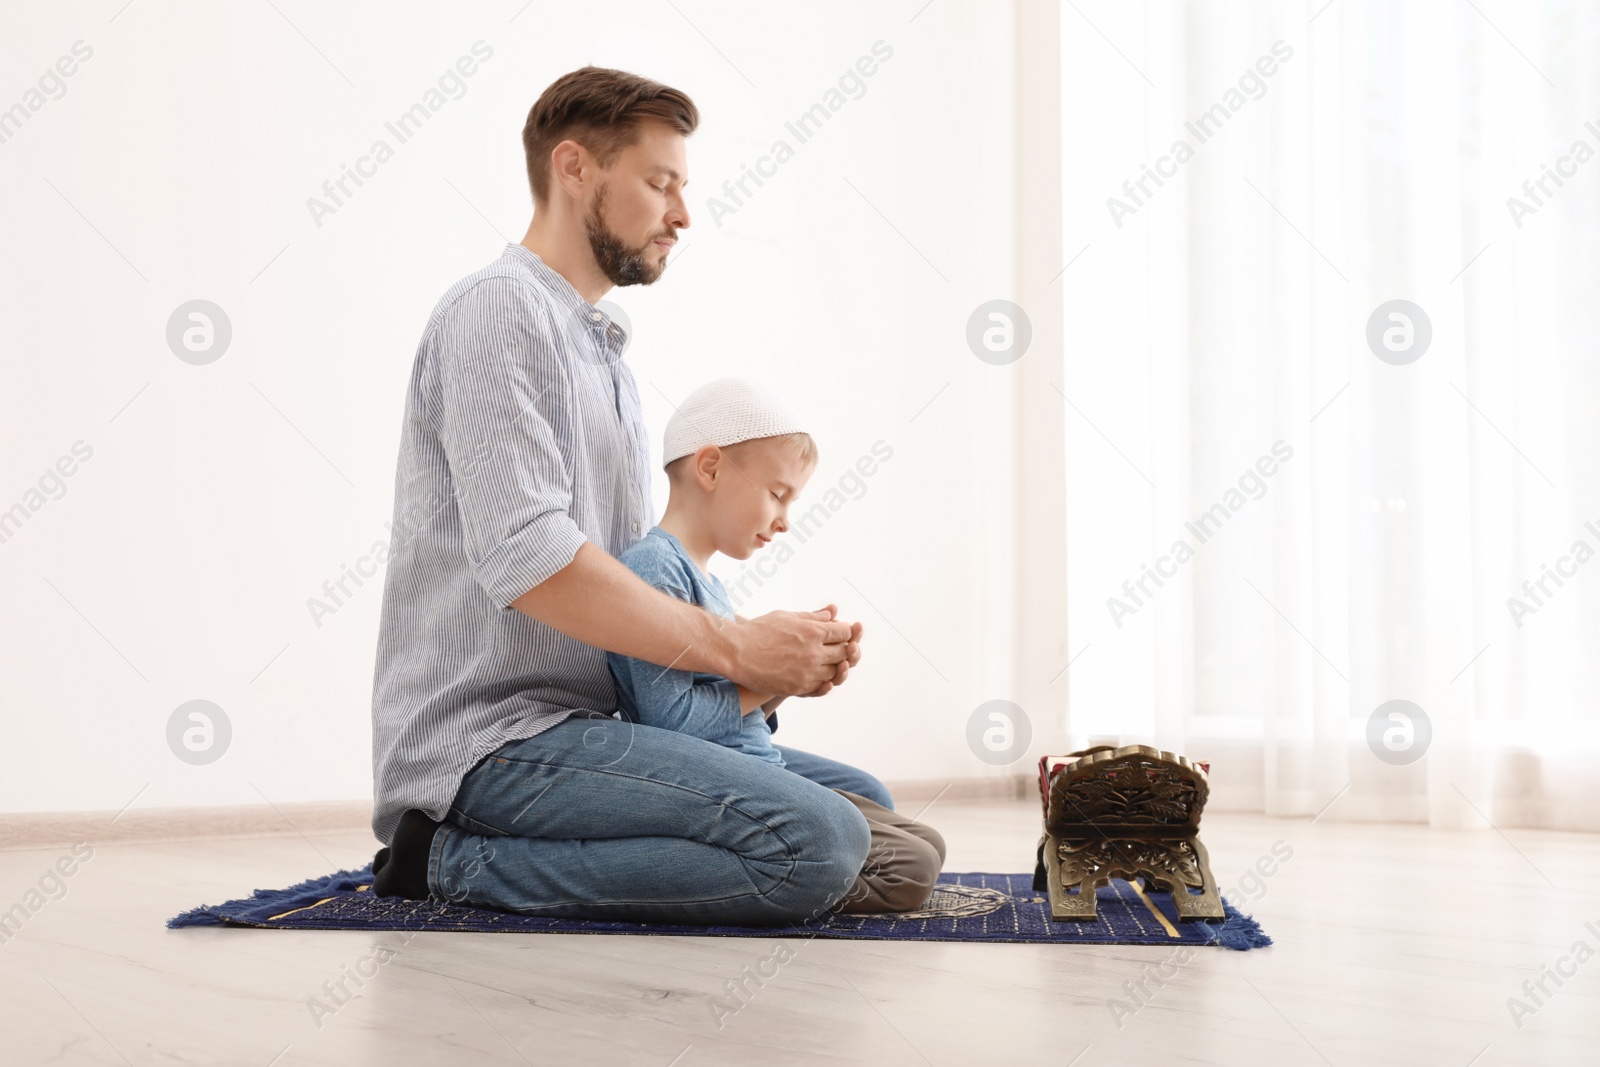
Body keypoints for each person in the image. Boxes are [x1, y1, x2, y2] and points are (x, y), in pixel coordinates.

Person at [366, 66, 889, 925]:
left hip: (595, 726)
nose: (683, 214)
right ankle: (446, 859)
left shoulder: (601, 352)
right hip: (494, 740)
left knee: (867, 806)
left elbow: (628, 595)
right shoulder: (499, 312)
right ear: (575, 169)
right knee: (820, 845)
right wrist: (736, 649)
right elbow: (533, 562)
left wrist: (770, 665)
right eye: (661, 183)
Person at [606, 378, 946, 914]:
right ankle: (801, 872)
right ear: (711, 468)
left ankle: (821, 853)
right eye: (777, 494)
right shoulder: (655, 568)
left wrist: (796, 678)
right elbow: (669, 727)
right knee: (912, 865)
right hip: (710, 775)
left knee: (891, 811)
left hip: (750, 760)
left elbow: (737, 710)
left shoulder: (704, 579)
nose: (785, 521)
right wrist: (769, 674)